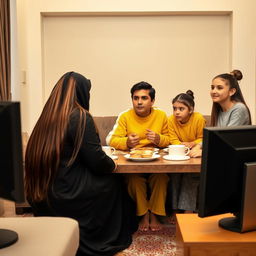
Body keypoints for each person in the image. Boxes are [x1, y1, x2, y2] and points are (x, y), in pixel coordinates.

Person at [25, 72, 138, 256]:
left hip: (44, 192)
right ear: (83, 92)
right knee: (113, 183)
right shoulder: (79, 116)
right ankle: (104, 236)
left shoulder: (47, 116)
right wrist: (112, 165)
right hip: (66, 193)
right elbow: (96, 161)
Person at [106, 81, 170, 232]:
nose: (139, 102)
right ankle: (143, 214)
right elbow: (111, 140)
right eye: (136, 98)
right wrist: (126, 142)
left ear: (152, 101)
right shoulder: (125, 116)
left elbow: (169, 139)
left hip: (156, 162)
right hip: (132, 161)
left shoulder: (161, 115)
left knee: (161, 178)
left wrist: (159, 139)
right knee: (134, 180)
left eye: (144, 98)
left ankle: (154, 214)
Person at [190, 69, 251, 158]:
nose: (213, 91)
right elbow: (215, 137)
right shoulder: (219, 109)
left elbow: (227, 141)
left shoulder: (239, 108)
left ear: (232, 91)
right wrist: (198, 146)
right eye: (212, 87)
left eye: (219, 88)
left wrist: (204, 152)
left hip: (235, 160)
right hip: (223, 157)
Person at [167, 90, 206, 212]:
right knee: (174, 175)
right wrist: (182, 147)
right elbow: (172, 139)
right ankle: (174, 209)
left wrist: (192, 143)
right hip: (178, 154)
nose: (177, 112)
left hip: (195, 153)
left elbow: (202, 137)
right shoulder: (171, 120)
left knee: (191, 175)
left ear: (190, 110)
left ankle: (187, 210)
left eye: (181, 109)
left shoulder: (198, 118)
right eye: (174, 108)